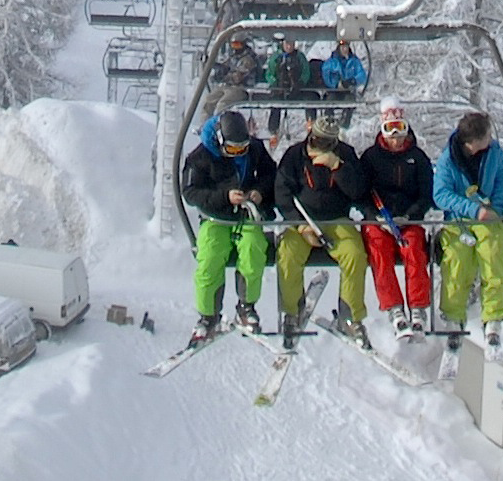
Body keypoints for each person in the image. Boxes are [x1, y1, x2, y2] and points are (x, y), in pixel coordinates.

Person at [179, 112, 279, 338]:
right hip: (217, 217)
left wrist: (259, 193)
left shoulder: (255, 150)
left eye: (242, 148)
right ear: (220, 141)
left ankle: (246, 306)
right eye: (233, 149)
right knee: (210, 256)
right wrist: (224, 197)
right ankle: (208, 315)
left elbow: (271, 175)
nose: (239, 153)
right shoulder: (200, 157)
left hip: (246, 214)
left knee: (254, 249)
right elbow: (191, 192)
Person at [434, 109, 503, 341]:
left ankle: (493, 316)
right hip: (459, 220)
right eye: (486, 136)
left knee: (494, 253)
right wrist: (472, 209)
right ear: (471, 143)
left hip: (488, 217)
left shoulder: (494, 154)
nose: (490, 139)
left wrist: (497, 207)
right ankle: (454, 316)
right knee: (457, 260)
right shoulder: (449, 161)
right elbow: (441, 194)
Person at [353, 100, 437, 334]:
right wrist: (373, 215)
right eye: (390, 129)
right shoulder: (370, 158)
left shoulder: (417, 158)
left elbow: (426, 194)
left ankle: (418, 307)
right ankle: (394, 308)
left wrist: (410, 216)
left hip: (407, 221)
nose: (395, 137)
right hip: (379, 220)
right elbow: (360, 193)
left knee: (413, 251)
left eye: (400, 129)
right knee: (378, 251)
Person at [280, 119, 369, 334]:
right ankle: (292, 312)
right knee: (288, 255)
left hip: (336, 219)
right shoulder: (294, 155)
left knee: (354, 254)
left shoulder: (345, 154)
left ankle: (351, 316)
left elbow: (358, 191)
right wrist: (301, 226)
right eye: (318, 141)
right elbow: (281, 192)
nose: (322, 146)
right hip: (302, 221)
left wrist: (338, 168)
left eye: (328, 142)